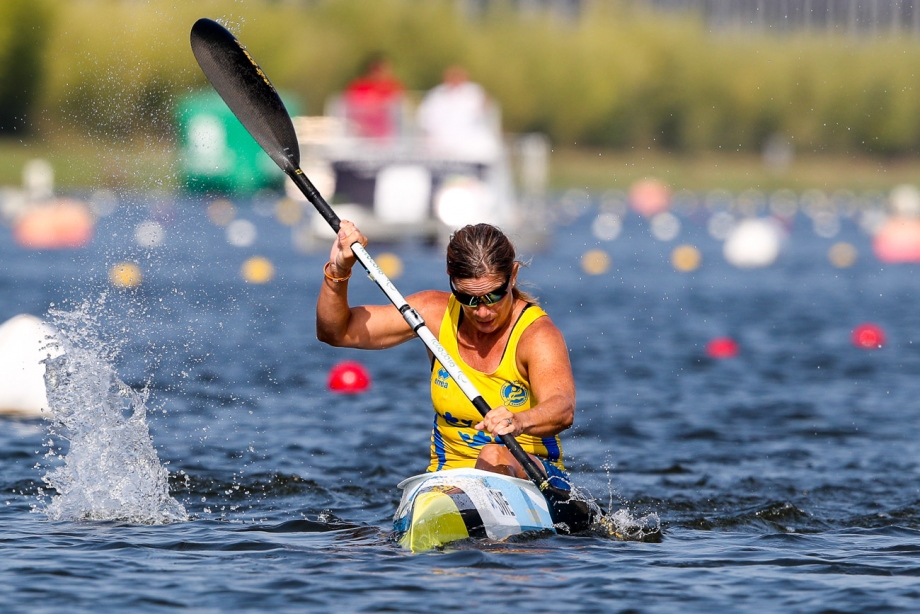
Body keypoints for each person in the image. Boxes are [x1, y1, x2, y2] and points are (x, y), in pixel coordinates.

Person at [316, 220, 576, 488]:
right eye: (469, 299)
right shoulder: (433, 315)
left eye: (493, 296)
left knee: (493, 453)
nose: (483, 312)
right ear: (451, 279)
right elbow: (337, 332)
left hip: (536, 481)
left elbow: (562, 408)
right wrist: (338, 270)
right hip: (450, 482)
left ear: (513, 276)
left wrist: (520, 420)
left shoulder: (536, 335)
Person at [416, 65, 500, 160]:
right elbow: (425, 120)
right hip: (441, 149)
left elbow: (486, 106)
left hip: (471, 149)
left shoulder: (473, 92)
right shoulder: (436, 96)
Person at [343, 55, 404, 139]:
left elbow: (401, 104)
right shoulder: (360, 87)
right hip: (362, 133)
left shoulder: (392, 86)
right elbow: (354, 107)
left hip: (387, 135)